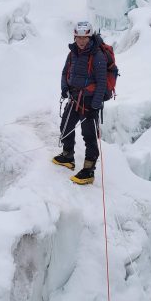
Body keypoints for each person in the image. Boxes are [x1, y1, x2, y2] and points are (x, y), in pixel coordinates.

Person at [52, 21, 108, 185]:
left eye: (84, 38)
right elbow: (65, 73)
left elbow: (102, 82)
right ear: (74, 37)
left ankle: (89, 171)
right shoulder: (73, 53)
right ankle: (68, 156)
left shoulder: (97, 56)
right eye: (78, 38)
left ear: (89, 37)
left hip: (89, 101)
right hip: (75, 98)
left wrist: (95, 106)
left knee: (89, 135)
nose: (81, 41)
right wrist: (65, 88)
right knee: (66, 127)